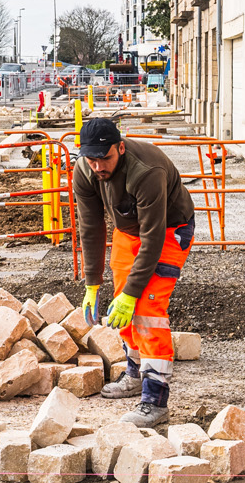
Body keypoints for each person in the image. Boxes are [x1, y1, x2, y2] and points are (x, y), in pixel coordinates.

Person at [73, 118, 196, 427]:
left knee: (145, 307)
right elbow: (91, 227)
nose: (99, 166)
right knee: (120, 304)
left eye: (106, 158)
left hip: (169, 230)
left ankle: (155, 400)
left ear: (121, 147)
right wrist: (92, 283)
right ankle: (135, 373)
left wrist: (132, 294)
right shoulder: (85, 170)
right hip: (128, 232)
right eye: (92, 159)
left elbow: (153, 239)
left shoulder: (146, 171)